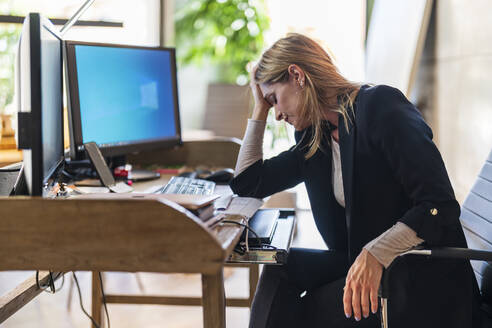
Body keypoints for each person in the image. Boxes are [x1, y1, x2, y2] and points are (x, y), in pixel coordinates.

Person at [229, 33, 482, 328]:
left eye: (274, 100)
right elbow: (248, 182)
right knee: (280, 269)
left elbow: (439, 206)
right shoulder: (316, 139)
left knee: (300, 313)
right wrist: (258, 108)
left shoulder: (380, 107)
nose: (277, 115)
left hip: (420, 277)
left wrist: (376, 252)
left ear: (297, 75)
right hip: (367, 267)